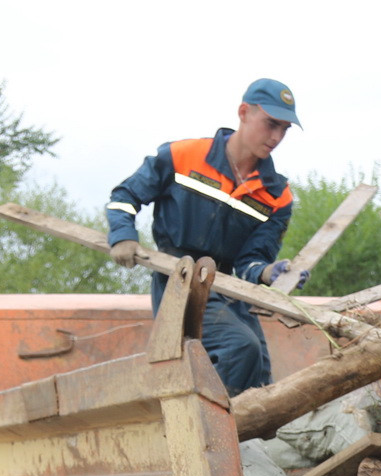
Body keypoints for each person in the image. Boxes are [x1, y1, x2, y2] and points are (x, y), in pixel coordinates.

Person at [106, 78, 305, 395]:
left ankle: (239, 435)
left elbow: (249, 263)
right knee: (241, 349)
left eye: (285, 129)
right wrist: (122, 234)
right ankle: (207, 432)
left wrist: (269, 271)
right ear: (243, 112)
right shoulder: (182, 156)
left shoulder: (277, 195)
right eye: (271, 124)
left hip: (229, 287)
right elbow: (125, 195)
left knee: (258, 375)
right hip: (179, 276)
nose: (277, 137)